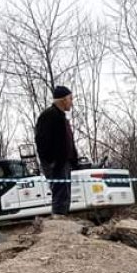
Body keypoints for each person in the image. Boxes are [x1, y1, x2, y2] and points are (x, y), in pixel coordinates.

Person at [34, 85, 79, 216]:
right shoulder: (48, 116)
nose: (72, 102)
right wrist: (51, 161)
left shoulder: (62, 118)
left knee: (65, 194)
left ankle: (62, 218)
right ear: (63, 100)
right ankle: (58, 221)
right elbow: (41, 141)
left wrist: (74, 159)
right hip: (55, 163)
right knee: (60, 194)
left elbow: (67, 141)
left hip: (65, 162)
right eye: (70, 99)